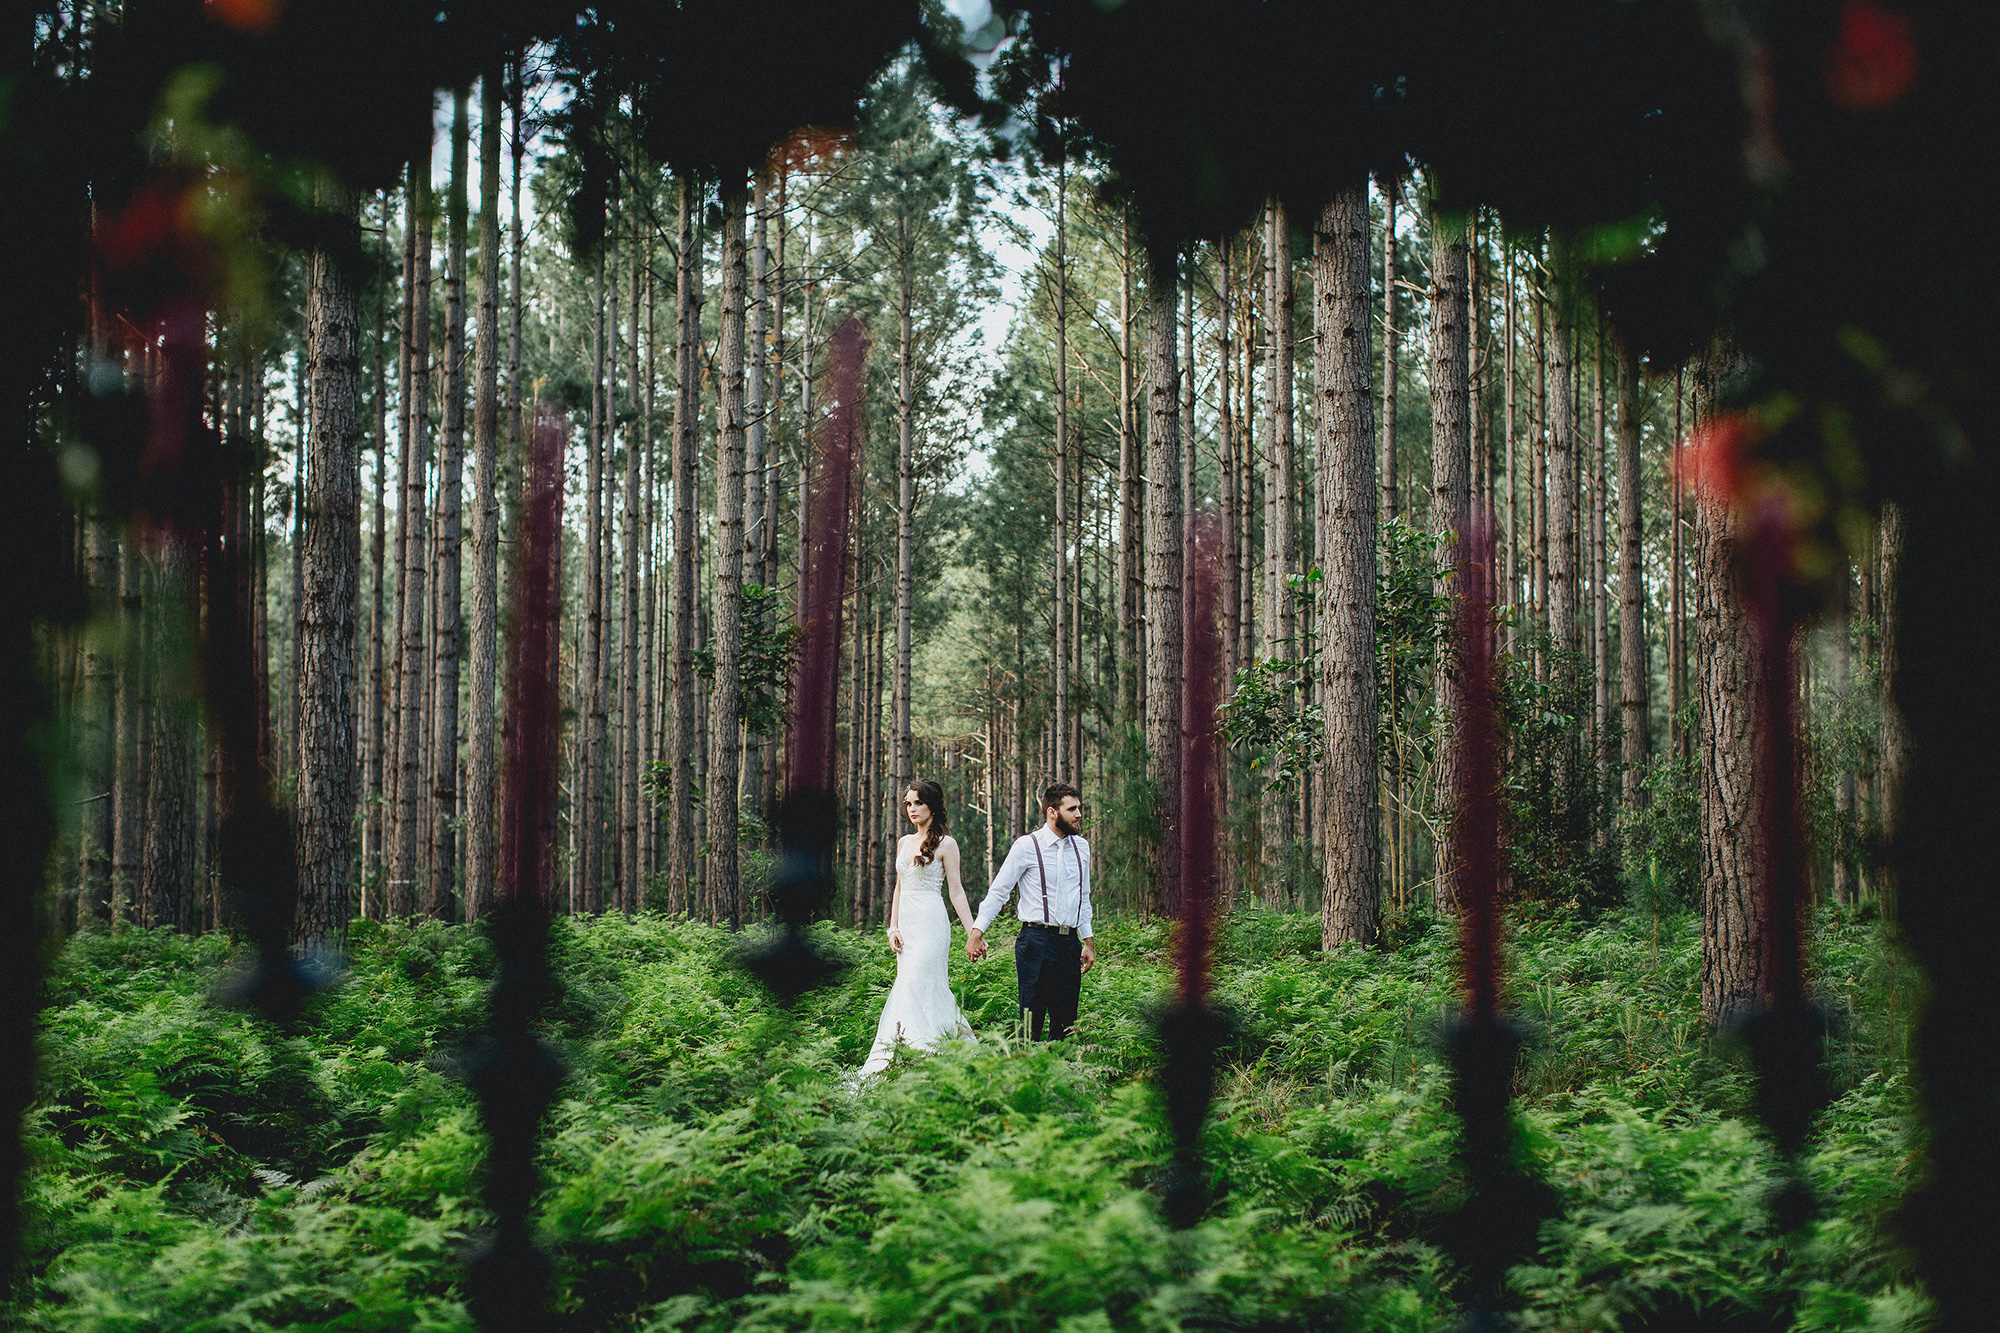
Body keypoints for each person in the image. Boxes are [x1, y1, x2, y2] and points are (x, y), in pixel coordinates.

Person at [855, 778, 980, 1079]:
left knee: (923, 985)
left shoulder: (946, 844)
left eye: (918, 803)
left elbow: (956, 891)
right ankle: (908, 1054)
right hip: (907, 927)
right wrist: (893, 927)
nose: (912, 809)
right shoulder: (903, 842)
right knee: (907, 987)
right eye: (908, 804)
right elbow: (898, 888)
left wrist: (973, 932)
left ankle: (937, 1054)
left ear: (932, 806)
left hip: (932, 924)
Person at [967, 783, 1095, 1041]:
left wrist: (1088, 942)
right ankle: (1027, 1074)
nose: (1079, 814)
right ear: (1052, 812)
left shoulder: (1082, 848)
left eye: (1079, 807)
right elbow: (999, 891)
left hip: (1069, 944)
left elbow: (1083, 897)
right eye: (1072, 809)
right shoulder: (1027, 846)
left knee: (1066, 1022)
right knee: (1030, 1021)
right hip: (1036, 941)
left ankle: (1062, 1077)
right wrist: (976, 932)